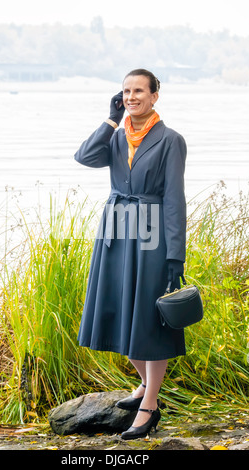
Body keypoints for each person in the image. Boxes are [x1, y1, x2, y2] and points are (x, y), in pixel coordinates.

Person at [74, 69, 187, 440]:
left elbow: (173, 199)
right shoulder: (118, 136)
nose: (131, 96)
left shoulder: (171, 140)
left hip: (152, 233)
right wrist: (110, 119)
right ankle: (144, 385)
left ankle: (150, 405)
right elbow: (85, 156)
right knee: (121, 311)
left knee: (149, 321)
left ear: (155, 95)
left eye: (139, 90)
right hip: (116, 231)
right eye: (125, 91)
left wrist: (176, 254)